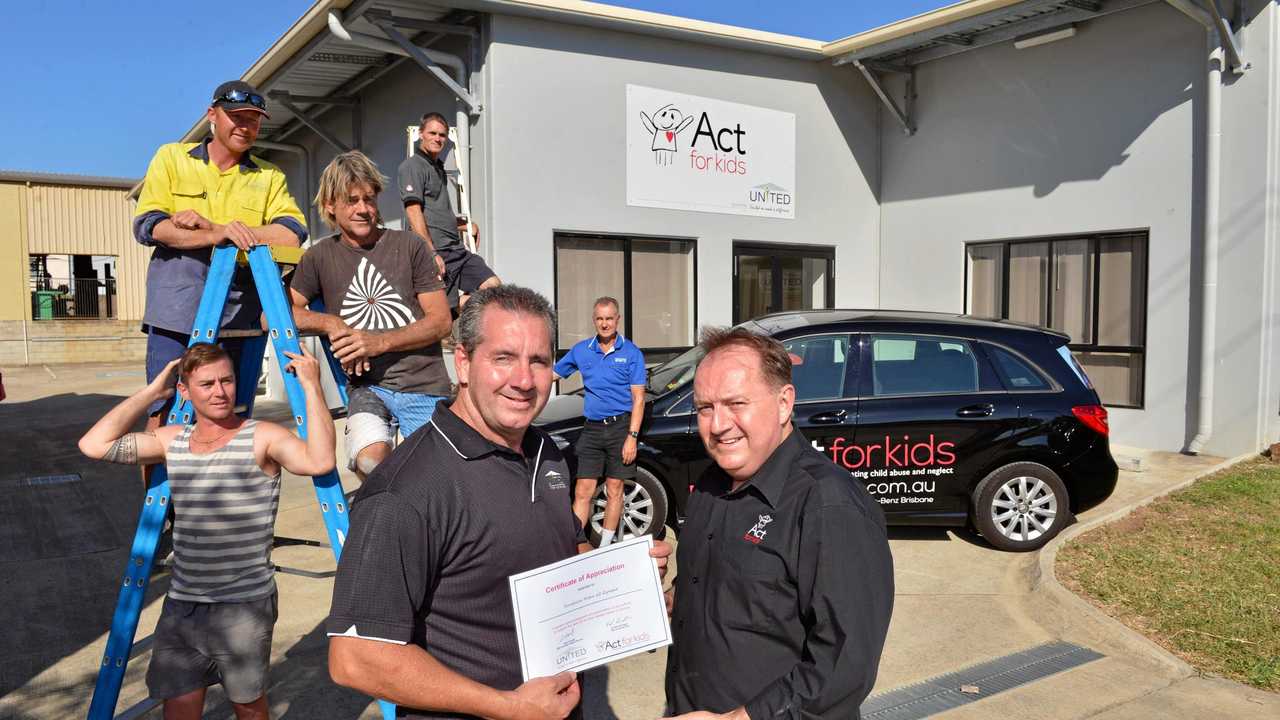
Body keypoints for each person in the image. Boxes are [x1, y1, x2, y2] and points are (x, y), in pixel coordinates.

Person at [325, 285, 670, 720]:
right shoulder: (404, 492)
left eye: (538, 361)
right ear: (464, 363)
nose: (524, 381)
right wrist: (507, 706)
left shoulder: (544, 452)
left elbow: (562, 549)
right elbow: (355, 657)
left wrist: (625, 579)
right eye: (503, 358)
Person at [78, 342, 335, 720]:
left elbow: (320, 459)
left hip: (243, 606)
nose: (220, 391)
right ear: (185, 391)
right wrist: (152, 393)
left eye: (227, 380)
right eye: (207, 383)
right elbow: (93, 445)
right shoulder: (172, 440)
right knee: (179, 711)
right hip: (183, 606)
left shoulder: (261, 436)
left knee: (249, 709)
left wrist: (312, 386)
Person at [663, 327, 894, 720]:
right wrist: (663, 597)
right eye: (705, 407)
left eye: (736, 403)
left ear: (784, 403)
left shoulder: (828, 504)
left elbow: (844, 663)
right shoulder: (709, 485)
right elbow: (727, 597)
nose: (718, 425)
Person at [133, 80, 307, 425]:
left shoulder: (269, 177)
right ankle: (161, 482)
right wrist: (222, 235)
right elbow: (151, 226)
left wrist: (213, 229)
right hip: (176, 312)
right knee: (164, 410)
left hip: (237, 315)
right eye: (236, 116)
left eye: (254, 120)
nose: (245, 126)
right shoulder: (172, 158)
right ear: (212, 115)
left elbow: (291, 233)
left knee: (226, 414)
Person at [290, 150, 452, 478]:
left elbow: (441, 321)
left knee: (431, 478)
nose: (363, 209)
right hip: (367, 389)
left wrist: (375, 342)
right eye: (351, 200)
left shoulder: (410, 246)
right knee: (371, 465)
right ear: (330, 206)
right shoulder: (320, 256)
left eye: (369, 199)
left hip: (424, 385)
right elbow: (277, 316)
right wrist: (331, 323)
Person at [553, 297, 646, 547]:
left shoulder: (632, 353)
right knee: (583, 490)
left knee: (615, 489)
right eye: (600, 319)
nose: (605, 324)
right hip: (592, 429)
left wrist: (632, 437)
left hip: (621, 428)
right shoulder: (582, 350)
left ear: (618, 319)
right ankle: (572, 545)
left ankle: (604, 548)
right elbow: (552, 374)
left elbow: (639, 399)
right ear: (594, 320)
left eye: (609, 318)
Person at [397, 112, 500, 311]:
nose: (437, 138)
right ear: (421, 134)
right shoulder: (412, 167)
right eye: (432, 133)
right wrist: (430, 252)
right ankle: (454, 322)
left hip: (457, 250)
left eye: (442, 135)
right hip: (438, 252)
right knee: (443, 313)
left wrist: (465, 225)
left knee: (493, 288)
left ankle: (460, 310)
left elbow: (437, 212)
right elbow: (413, 212)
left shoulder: (437, 167)